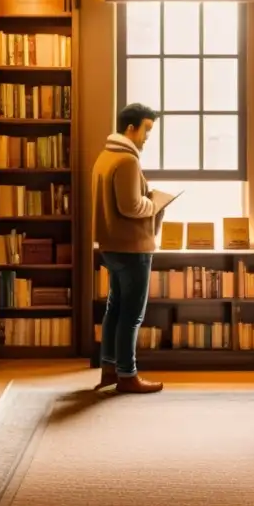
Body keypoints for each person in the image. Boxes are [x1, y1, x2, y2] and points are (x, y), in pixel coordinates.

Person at [90, 102, 164, 393]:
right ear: (131, 128)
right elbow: (131, 206)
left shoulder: (105, 156)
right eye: (146, 130)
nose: (147, 137)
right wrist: (155, 202)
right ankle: (127, 376)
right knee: (132, 314)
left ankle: (109, 369)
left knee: (115, 309)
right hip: (133, 246)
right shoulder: (127, 161)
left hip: (111, 245)